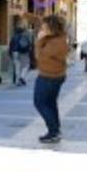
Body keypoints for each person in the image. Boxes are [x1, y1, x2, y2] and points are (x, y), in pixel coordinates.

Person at [32, 15, 70, 144]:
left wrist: (39, 41)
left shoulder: (56, 42)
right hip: (53, 75)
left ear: (51, 27)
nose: (42, 27)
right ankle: (55, 130)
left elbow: (40, 56)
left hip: (49, 76)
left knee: (40, 103)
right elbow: (37, 20)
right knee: (50, 103)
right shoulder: (56, 39)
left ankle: (54, 131)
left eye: (45, 25)